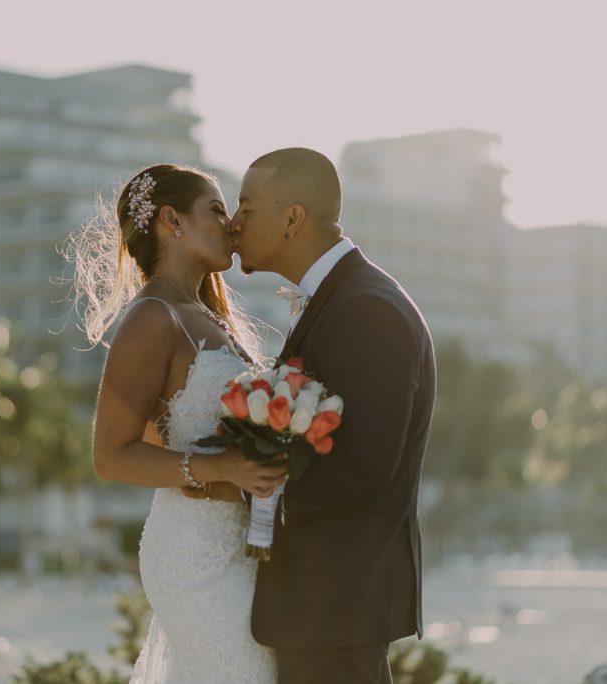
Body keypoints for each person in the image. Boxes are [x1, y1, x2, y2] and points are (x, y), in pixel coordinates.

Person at [220, 147, 437, 684]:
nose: (233, 223)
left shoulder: (367, 308)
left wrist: (248, 484)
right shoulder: (343, 298)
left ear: (293, 217)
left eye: (246, 207)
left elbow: (364, 464)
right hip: (323, 611)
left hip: (336, 607)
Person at [69, 163, 284, 682]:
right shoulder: (152, 318)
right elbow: (111, 455)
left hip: (241, 544)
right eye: (215, 209)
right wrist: (226, 468)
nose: (231, 223)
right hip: (193, 556)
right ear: (172, 220)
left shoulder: (207, 317)